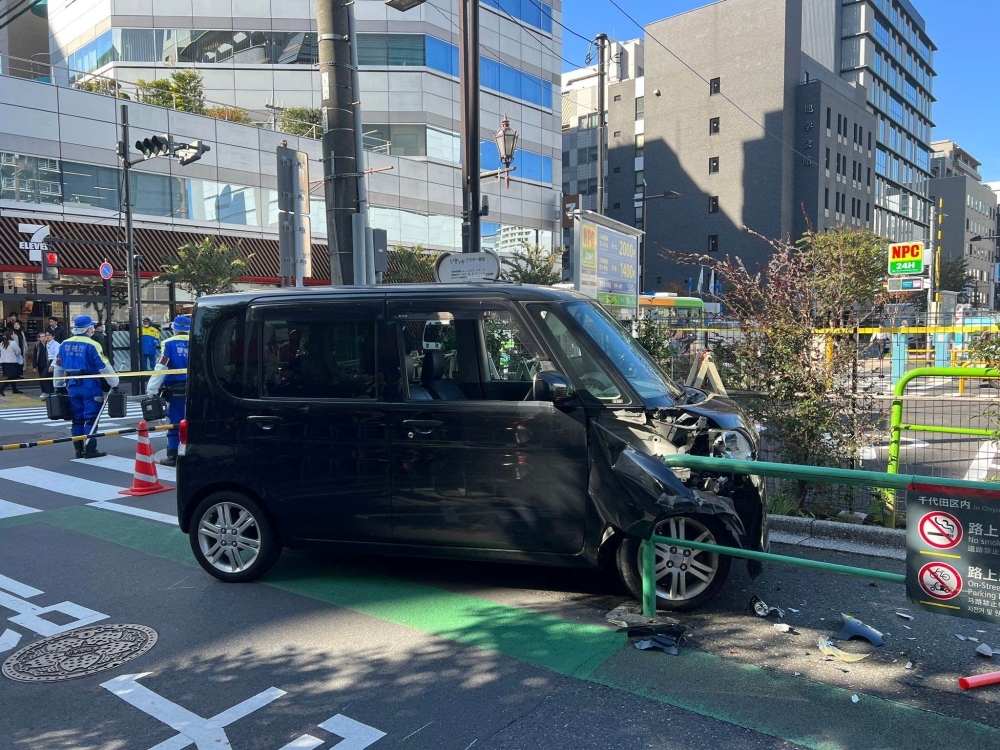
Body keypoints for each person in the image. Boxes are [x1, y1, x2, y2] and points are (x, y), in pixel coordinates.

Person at [53, 315, 120, 459]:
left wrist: (57, 385)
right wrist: (114, 383)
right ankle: (90, 449)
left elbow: (58, 365)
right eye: (92, 327)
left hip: (72, 385)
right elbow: (104, 367)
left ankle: (78, 450)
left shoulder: (64, 343)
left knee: (77, 419)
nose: (93, 330)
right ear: (88, 329)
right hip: (90, 384)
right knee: (91, 418)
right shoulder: (92, 344)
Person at [147, 315, 189, 467]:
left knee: (174, 421)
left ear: (174, 328)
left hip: (176, 389)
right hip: (196, 388)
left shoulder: (168, 343)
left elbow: (161, 367)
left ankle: (172, 455)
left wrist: (151, 389)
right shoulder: (198, 341)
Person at [0, 326, 23, 396]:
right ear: (10, 335)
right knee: (12, 377)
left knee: (11, 376)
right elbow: (18, 352)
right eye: (13, 334)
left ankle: (14, 389)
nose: (14, 335)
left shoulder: (1, 343)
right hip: (12, 362)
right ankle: (2, 388)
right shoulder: (13, 343)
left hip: (4, 362)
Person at [34, 331, 53, 396]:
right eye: (42, 337)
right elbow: (35, 356)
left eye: (45, 336)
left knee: (49, 378)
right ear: (39, 338)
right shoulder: (37, 345)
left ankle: (50, 391)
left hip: (48, 364)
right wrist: (34, 366)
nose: (44, 338)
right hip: (40, 364)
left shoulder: (49, 344)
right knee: (42, 379)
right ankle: (44, 391)